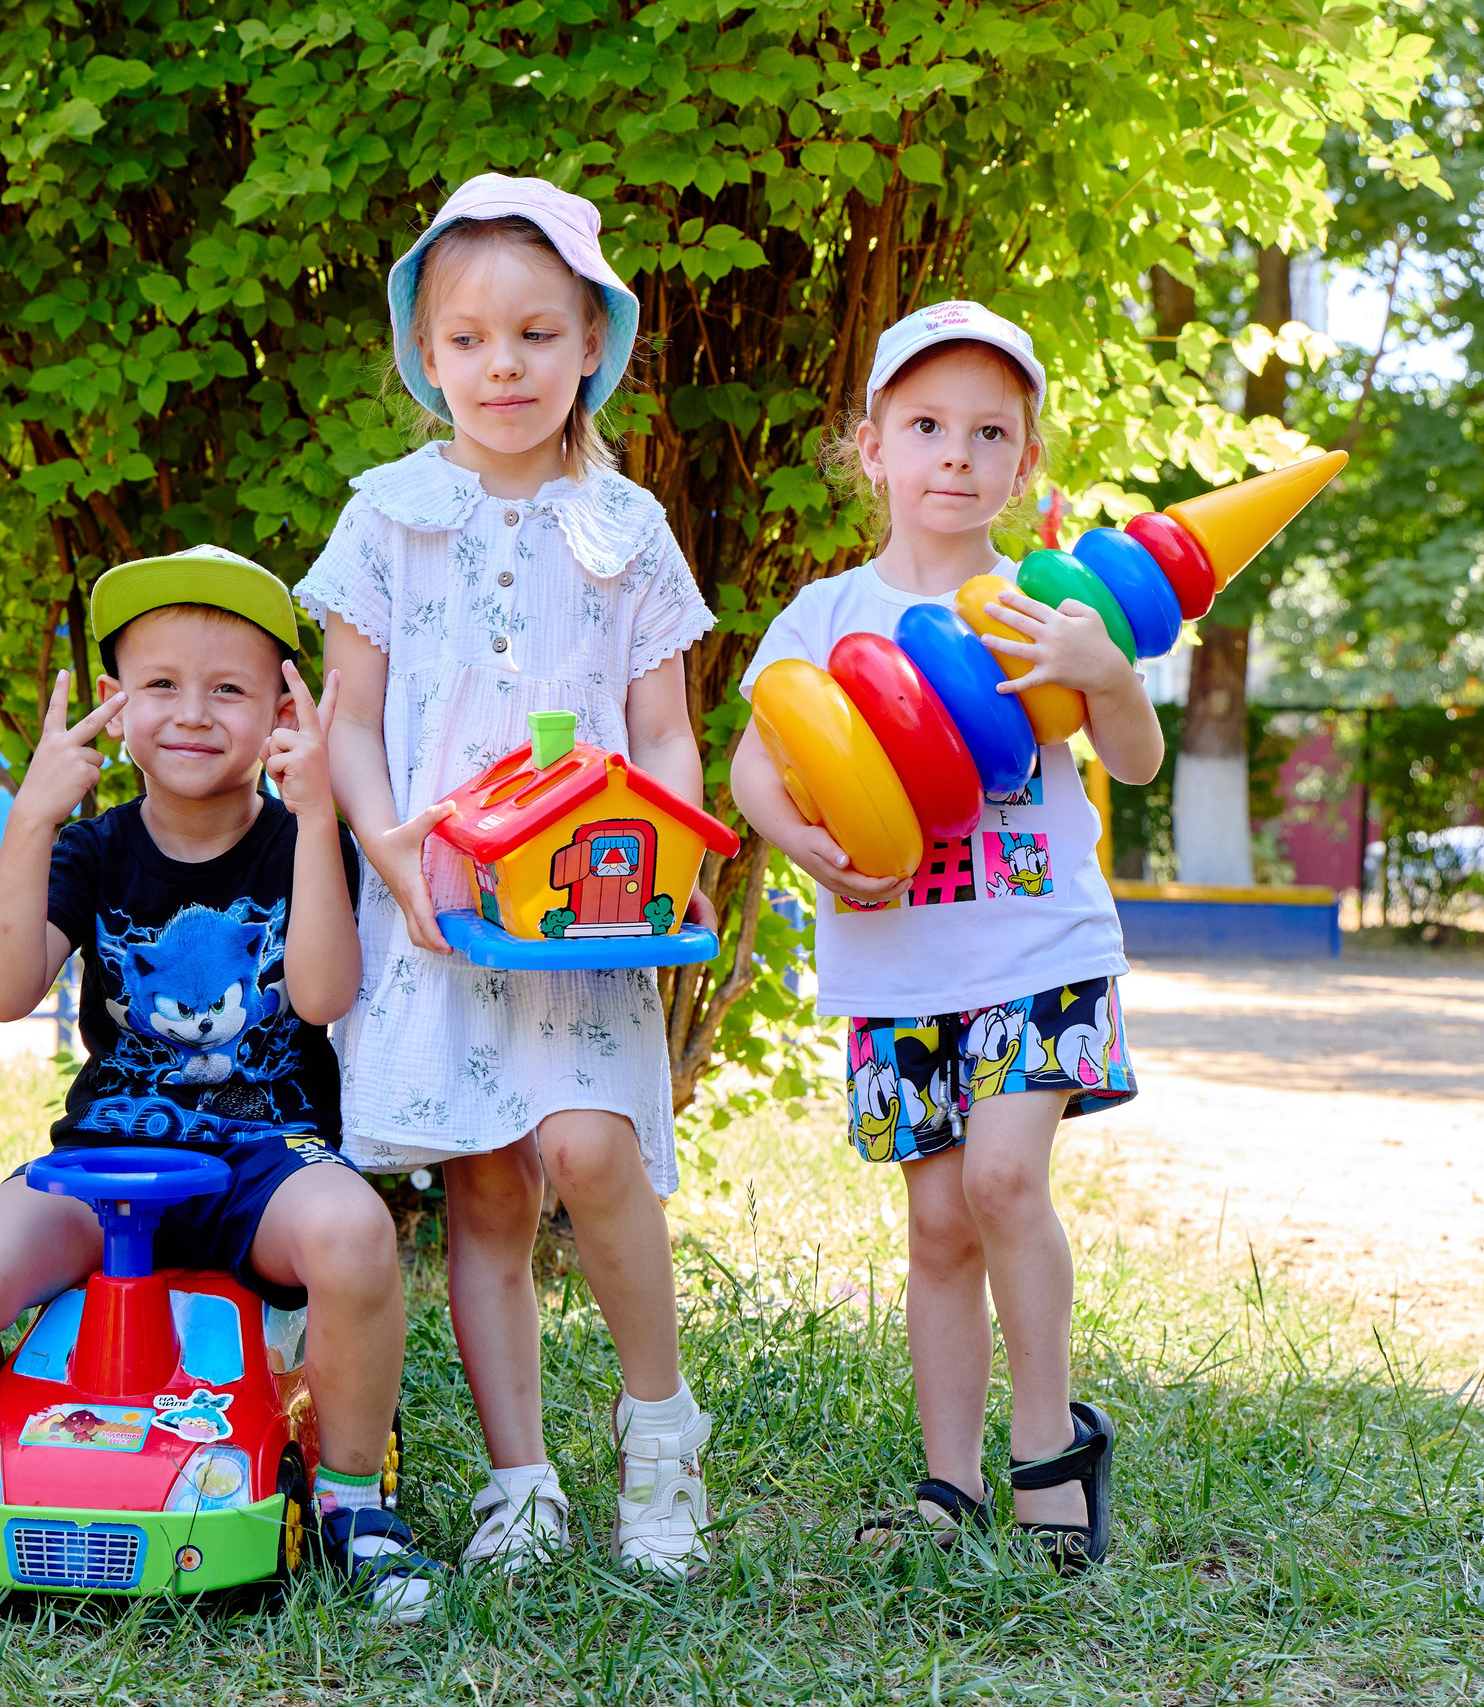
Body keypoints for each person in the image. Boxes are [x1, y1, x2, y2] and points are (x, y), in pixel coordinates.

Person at [0, 546, 439, 1620]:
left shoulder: (298, 842)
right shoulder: (88, 850)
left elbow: (318, 998)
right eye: (161, 685)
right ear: (114, 708)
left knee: (356, 1235)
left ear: (282, 708)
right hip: (107, 1165)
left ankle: (354, 1503)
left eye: (229, 688)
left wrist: (319, 817)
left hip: (263, 1161)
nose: (192, 712)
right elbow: (2, 993)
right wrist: (32, 818)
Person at [299, 174, 719, 1580]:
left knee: (589, 1149)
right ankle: (519, 1476)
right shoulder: (389, 516)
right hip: (442, 905)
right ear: (426, 351)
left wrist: (676, 850)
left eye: (537, 335)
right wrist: (389, 846)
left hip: (586, 906)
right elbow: (350, 715)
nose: (503, 366)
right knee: (482, 1189)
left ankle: (662, 1431)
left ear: (593, 338)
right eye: (469, 338)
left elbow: (662, 724)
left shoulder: (628, 526)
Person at [728, 301, 1153, 1571]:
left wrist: (1111, 671)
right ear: (870, 448)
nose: (955, 455)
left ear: (1027, 463)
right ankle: (947, 1481)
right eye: (925, 427)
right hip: (898, 967)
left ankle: (1048, 1458)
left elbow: (1130, 764)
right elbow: (758, 762)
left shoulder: (1041, 611)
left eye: (989, 432)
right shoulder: (824, 613)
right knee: (937, 1227)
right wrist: (796, 843)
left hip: (1039, 953)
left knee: (1005, 1181)